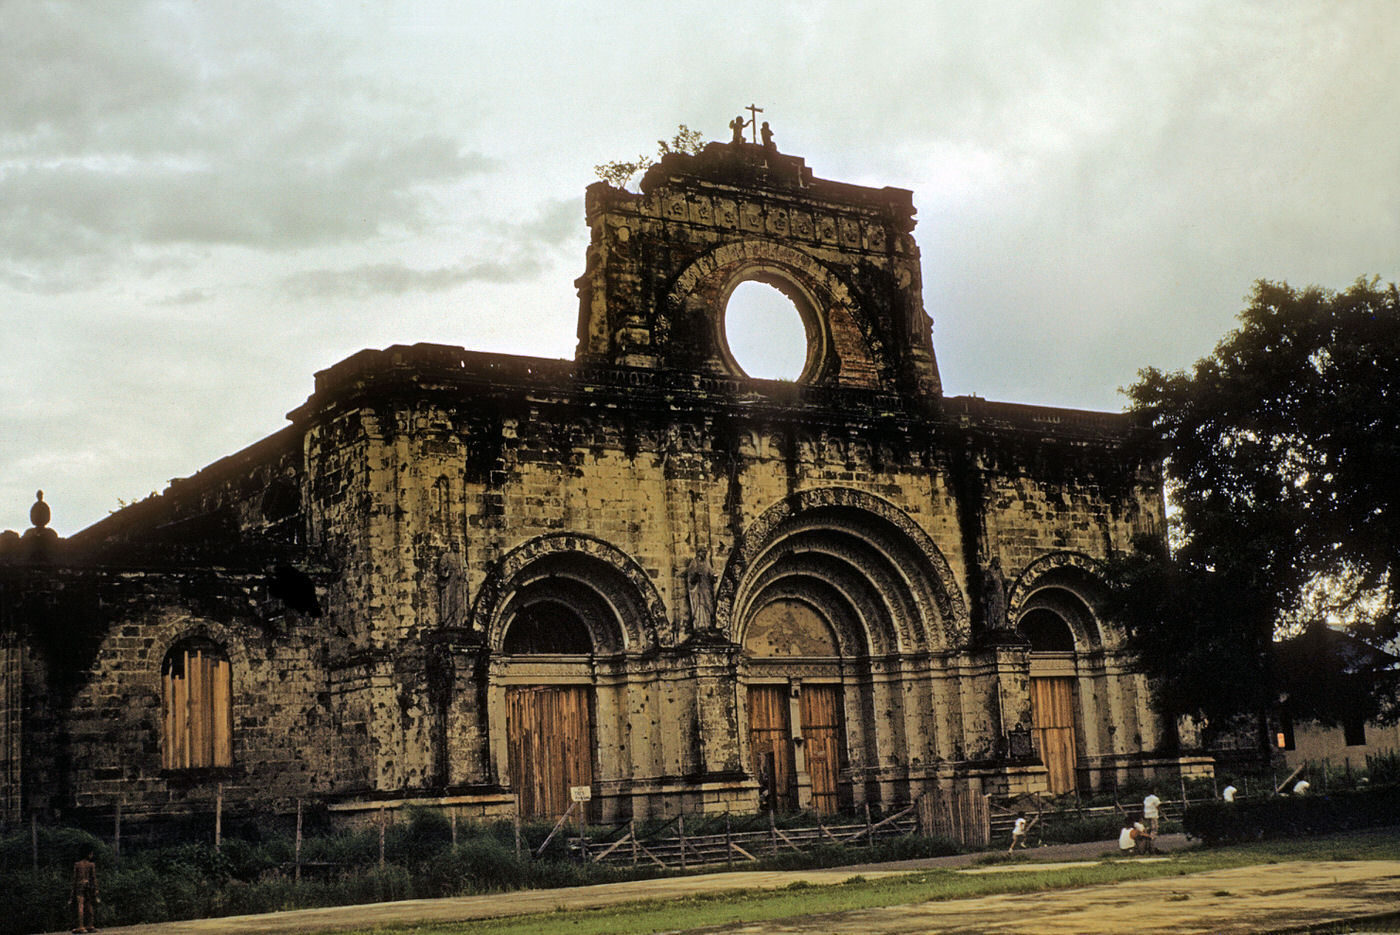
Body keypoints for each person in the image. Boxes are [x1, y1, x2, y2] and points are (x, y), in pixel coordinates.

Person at [71, 847, 99, 933]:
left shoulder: (77, 864)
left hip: (79, 885)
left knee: (81, 905)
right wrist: (96, 889)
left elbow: (74, 878)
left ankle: (81, 926)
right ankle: (90, 925)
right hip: (88, 885)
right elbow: (93, 878)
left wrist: (72, 892)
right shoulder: (91, 865)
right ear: (88, 854)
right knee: (89, 904)